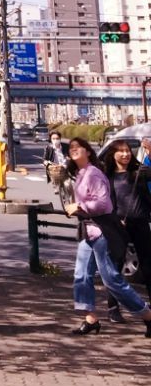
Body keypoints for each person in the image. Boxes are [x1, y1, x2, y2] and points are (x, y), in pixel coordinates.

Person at [64, 136, 151, 337]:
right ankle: (91, 319)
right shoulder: (82, 173)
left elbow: (103, 204)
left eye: (80, 147)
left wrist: (79, 206)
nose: (75, 150)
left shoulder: (94, 173)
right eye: (72, 148)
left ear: (88, 151)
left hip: (102, 230)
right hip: (89, 230)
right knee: (82, 275)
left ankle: (147, 315)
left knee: (112, 279)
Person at [99, 137, 151, 321]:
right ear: (113, 155)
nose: (125, 154)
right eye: (121, 151)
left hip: (141, 222)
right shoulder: (107, 176)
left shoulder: (140, 172)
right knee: (115, 267)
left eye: (128, 150)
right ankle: (113, 309)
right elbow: (104, 201)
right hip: (118, 224)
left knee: (147, 265)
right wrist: (113, 219)